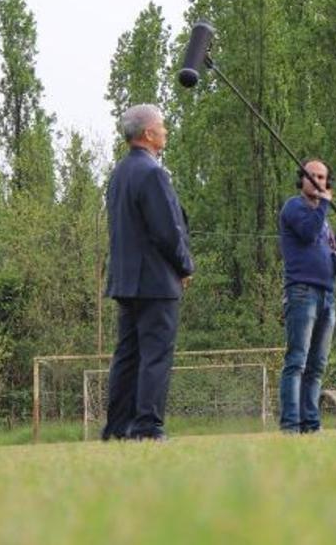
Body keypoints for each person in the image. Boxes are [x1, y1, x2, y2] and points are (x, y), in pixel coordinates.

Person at [102, 104, 194, 441]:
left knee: (127, 356)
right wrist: (184, 265)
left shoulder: (119, 174)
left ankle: (117, 428)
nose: (166, 131)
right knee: (155, 355)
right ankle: (146, 426)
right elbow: (167, 230)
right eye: (162, 127)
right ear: (148, 134)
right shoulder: (153, 173)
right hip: (155, 280)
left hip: (126, 281)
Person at [279, 158, 336, 434]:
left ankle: (311, 425)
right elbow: (307, 232)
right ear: (302, 180)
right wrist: (325, 203)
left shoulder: (320, 218)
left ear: (327, 182)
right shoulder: (295, 207)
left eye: (322, 177)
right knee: (297, 361)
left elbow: (324, 246)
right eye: (311, 176)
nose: (316, 181)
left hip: (326, 294)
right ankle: (291, 425)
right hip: (302, 291)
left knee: (316, 365)